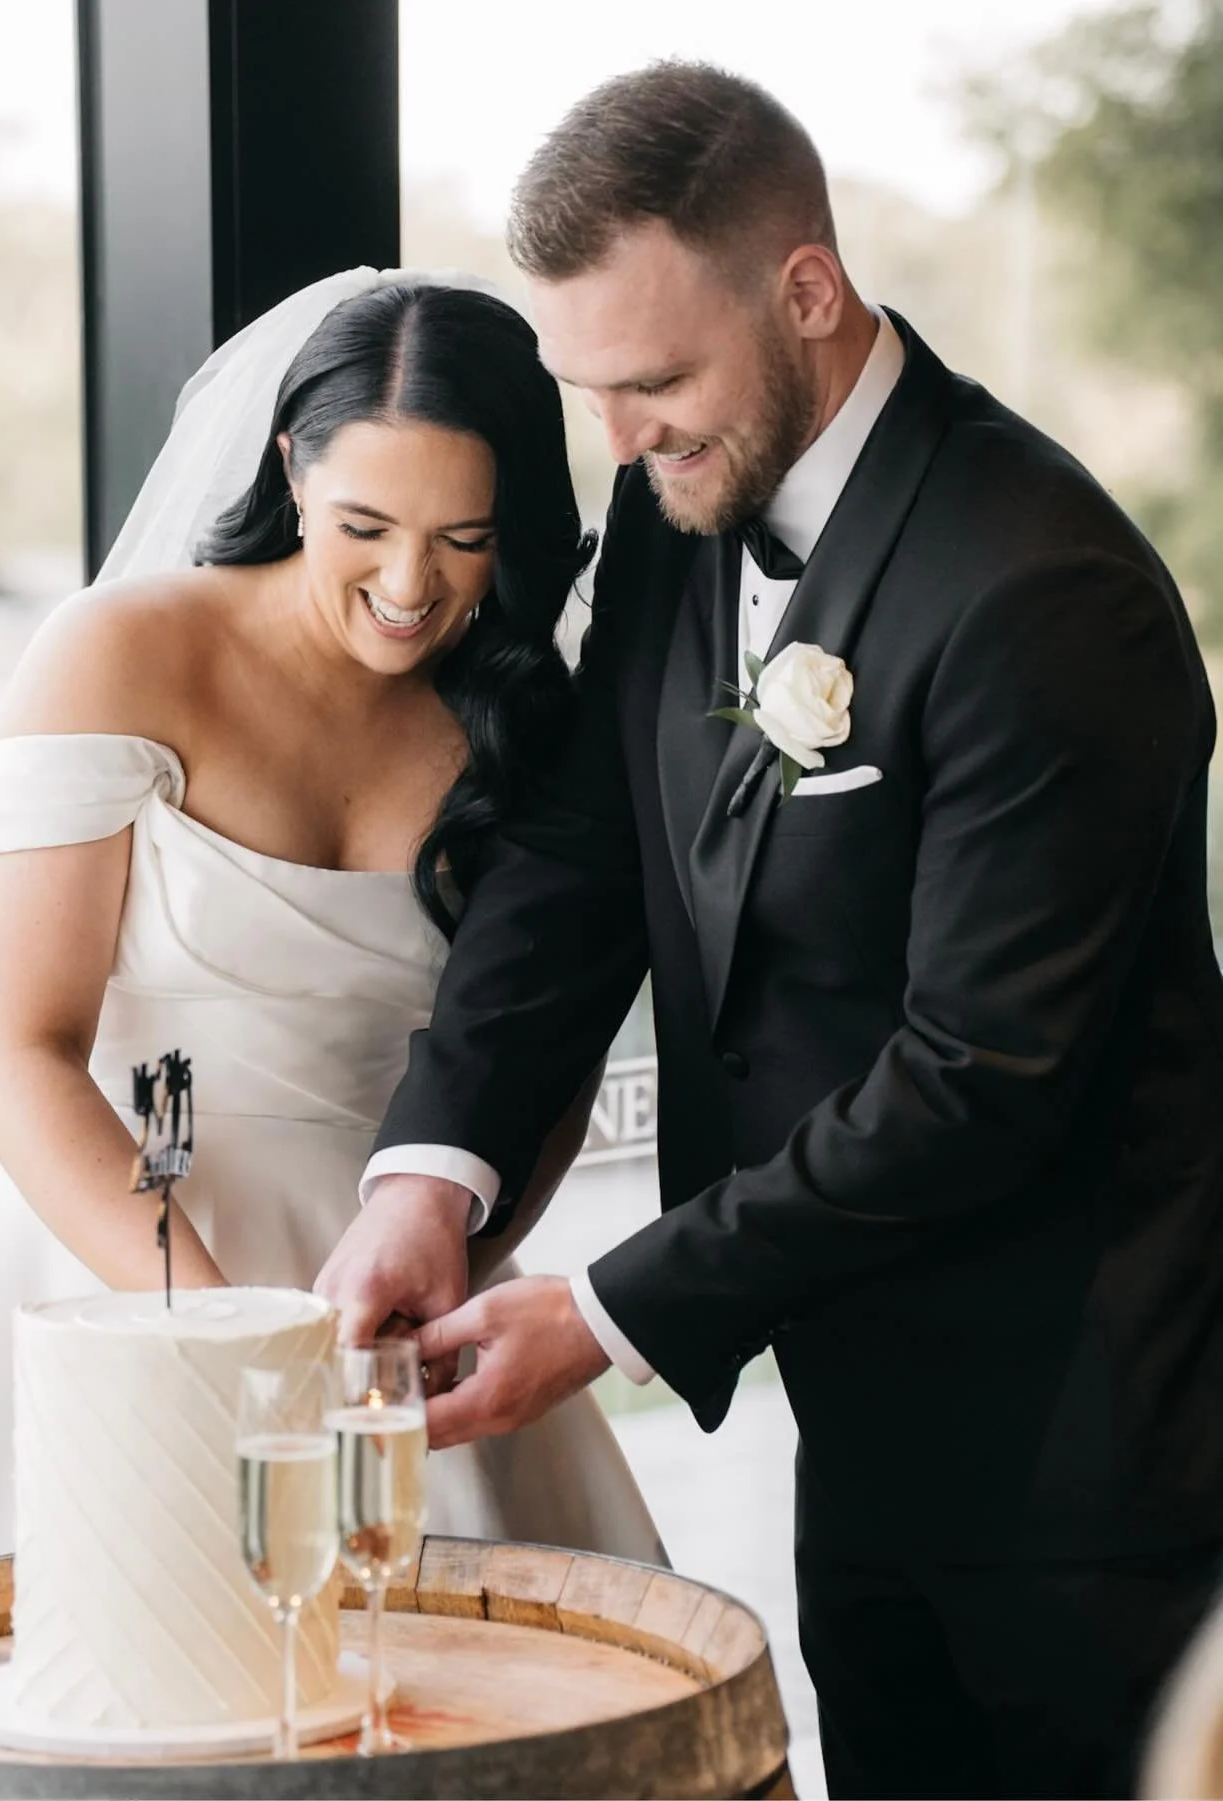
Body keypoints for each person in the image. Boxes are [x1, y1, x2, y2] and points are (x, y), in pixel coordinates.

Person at [316, 66, 1223, 1800]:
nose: (625, 440)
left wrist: (605, 1314)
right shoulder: (686, 510)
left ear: (807, 291)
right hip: (861, 1406)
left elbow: (982, 1077)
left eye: (657, 381)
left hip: (1092, 1449)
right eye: (591, 393)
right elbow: (582, 864)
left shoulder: (1044, 587)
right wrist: (428, 1174)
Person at [0, 270, 663, 1609]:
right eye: (363, 524)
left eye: (464, 538)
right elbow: (14, 1048)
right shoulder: (122, 654)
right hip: (99, 1260)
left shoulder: (534, 718)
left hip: (383, 1297)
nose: (410, 586)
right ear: (286, 467)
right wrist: (208, 1337)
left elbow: (535, 1057)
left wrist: (447, 1282)